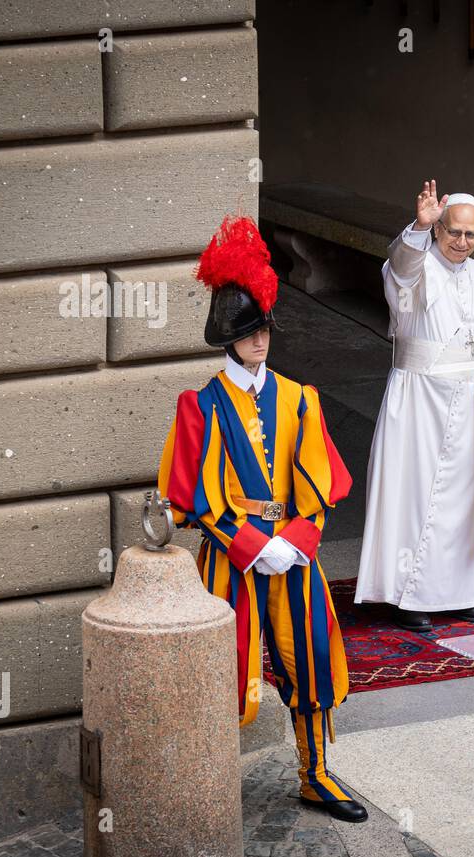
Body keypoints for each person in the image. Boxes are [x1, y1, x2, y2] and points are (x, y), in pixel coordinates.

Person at [158, 215, 367, 822]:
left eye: (264, 329)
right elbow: (197, 498)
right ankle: (206, 785)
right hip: (231, 560)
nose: (260, 341)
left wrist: (298, 540)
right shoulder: (199, 405)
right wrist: (254, 545)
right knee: (220, 673)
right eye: (248, 332)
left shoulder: (302, 399)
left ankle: (316, 773)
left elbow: (321, 488)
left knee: (310, 658)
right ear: (228, 337)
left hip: (294, 555)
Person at [355, 180, 474, 631]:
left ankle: (463, 592)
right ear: (438, 228)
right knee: (416, 496)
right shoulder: (414, 268)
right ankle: (411, 595)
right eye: (453, 232)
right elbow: (400, 265)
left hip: (472, 403)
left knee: (466, 500)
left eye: (470, 235)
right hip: (420, 402)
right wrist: (417, 227)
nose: (461, 242)